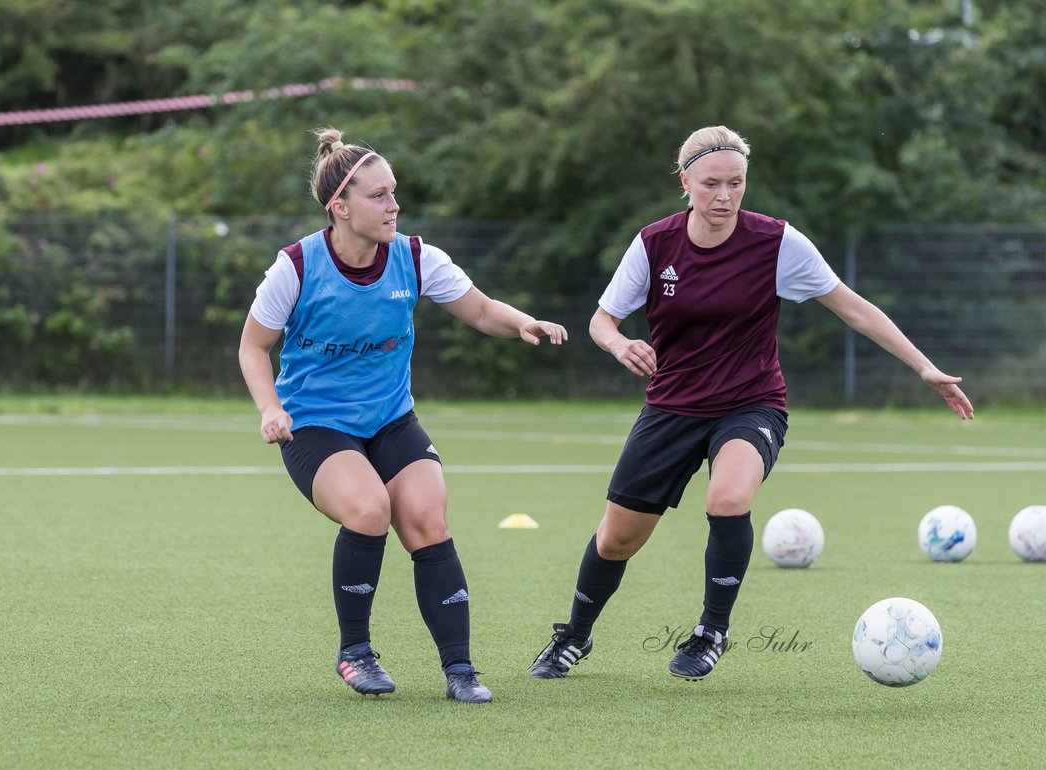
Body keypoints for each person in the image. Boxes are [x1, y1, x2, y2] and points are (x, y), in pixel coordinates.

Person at [530, 125, 973, 682]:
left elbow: (854, 308)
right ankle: (575, 634)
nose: (724, 196)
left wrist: (924, 367)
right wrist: (620, 343)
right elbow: (601, 320)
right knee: (617, 536)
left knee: (728, 497)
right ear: (685, 180)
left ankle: (712, 631)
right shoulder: (654, 244)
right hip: (672, 406)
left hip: (752, 403)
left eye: (735, 183)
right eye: (711, 183)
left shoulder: (778, 243)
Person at [240, 128, 568, 703]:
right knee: (369, 510)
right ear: (338, 207)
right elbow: (252, 346)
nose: (394, 205)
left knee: (426, 519)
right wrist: (270, 409)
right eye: (378, 195)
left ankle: (460, 671)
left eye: (394, 193)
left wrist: (521, 322)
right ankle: (356, 654)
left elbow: (482, 309)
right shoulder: (295, 267)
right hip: (315, 424)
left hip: (391, 420)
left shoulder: (417, 257)